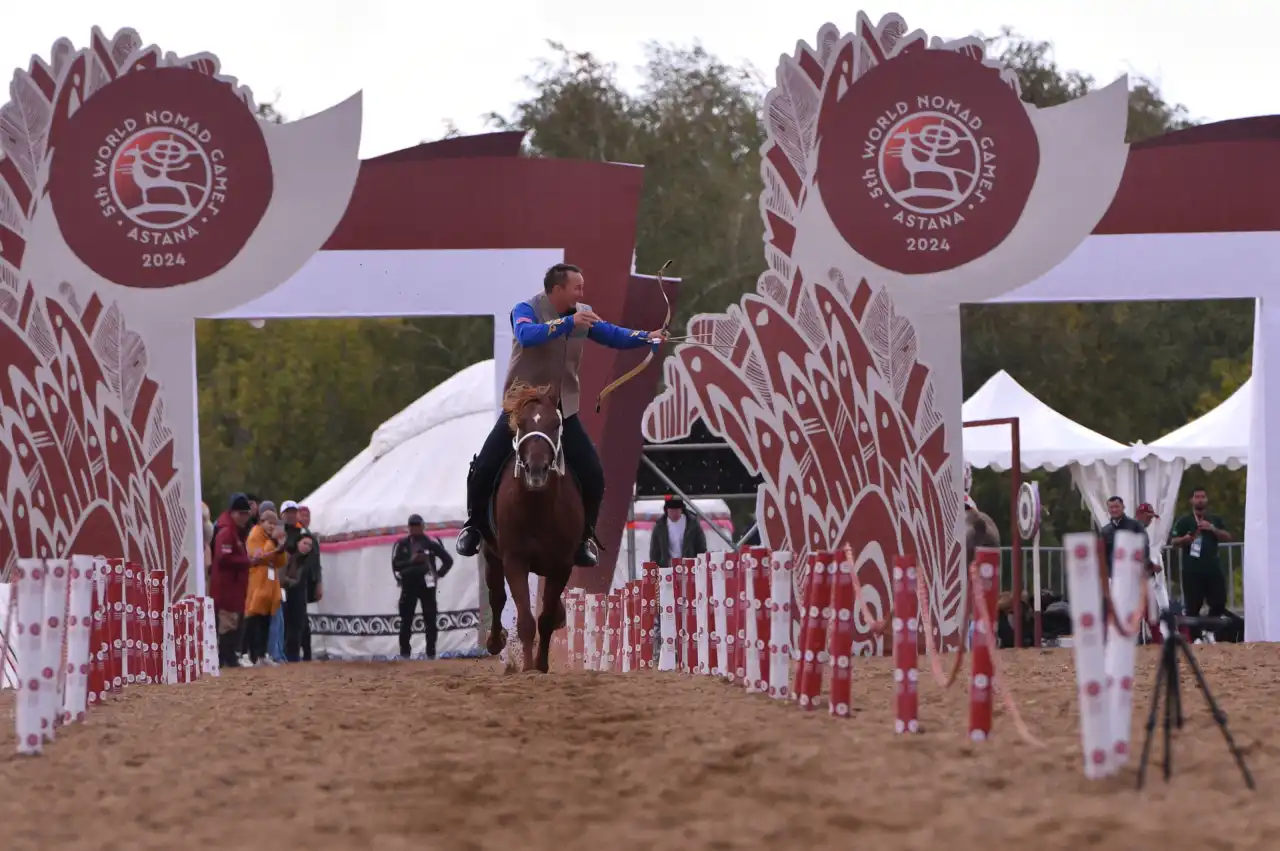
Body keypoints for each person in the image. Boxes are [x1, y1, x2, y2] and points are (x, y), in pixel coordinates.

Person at [454, 263, 668, 567]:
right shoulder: (525, 309)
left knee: (593, 473)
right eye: (576, 287)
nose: (582, 293)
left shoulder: (582, 313)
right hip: (521, 410)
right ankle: (473, 527)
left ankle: (585, 538)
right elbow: (527, 335)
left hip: (561, 410)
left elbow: (612, 335)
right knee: (484, 466)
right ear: (557, 290)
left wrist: (647, 337)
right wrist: (567, 324)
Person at [393, 514, 454, 659]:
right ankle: (405, 653)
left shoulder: (430, 543)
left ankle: (431, 653)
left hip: (427, 586)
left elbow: (448, 560)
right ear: (408, 528)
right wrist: (411, 560)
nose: (414, 529)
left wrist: (439, 574)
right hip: (409, 585)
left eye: (417, 526)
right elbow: (396, 565)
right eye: (412, 526)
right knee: (406, 619)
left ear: (422, 526)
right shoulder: (403, 544)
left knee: (430, 619)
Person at [1170, 487, 1232, 623]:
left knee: (1219, 602)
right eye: (1197, 497)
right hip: (1192, 570)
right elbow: (1173, 541)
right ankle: (1195, 637)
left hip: (1212, 568)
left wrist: (1212, 528)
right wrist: (1184, 539)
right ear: (1191, 500)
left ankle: (1211, 629)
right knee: (1193, 606)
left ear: (1207, 500)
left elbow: (1228, 537)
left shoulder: (1214, 519)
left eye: (1203, 497)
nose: (1200, 500)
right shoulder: (1184, 520)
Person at [210, 493, 253, 668]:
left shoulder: (235, 532)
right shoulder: (227, 533)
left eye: (246, 513)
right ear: (233, 513)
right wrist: (246, 561)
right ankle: (224, 657)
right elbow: (223, 557)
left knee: (233, 621)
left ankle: (228, 657)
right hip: (226, 587)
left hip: (234, 587)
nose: (244, 517)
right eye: (241, 513)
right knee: (227, 623)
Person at [244, 509, 287, 666]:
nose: (272, 526)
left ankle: (262, 655)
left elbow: (280, 562)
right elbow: (260, 556)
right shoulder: (255, 535)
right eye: (270, 523)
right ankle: (247, 654)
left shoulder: (270, 538)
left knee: (265, 621)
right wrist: (274, 544)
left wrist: (280, 549)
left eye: (275, 524)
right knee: (253, 619)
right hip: (257, 583)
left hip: (269, 585)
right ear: (261, 522)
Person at [283, 505, 322, 662]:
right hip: (290, 581)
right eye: (301, 514)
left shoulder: (308, 535)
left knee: (301, 619)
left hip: (305, 580)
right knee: (294, 619)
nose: (304, 518)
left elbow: (316, 562)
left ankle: (306, 653)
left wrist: (318, 582)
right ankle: (292, 654)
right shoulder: (286, 533)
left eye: (307, 515)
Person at [1136, 502, 1169, 644]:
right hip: (1139, 575)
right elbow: (1139, 553)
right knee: (1149, 610)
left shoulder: (1136, 530)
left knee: (1147, 609)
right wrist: (1151, 566)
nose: (1150, 520)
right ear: (1140, 515)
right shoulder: (1138, 531)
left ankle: (1156, 638)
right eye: (1148, 516)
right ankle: (1157, 639)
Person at [648, 497, 708, 567]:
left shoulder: (692, 524)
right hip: (667, 568)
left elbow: (701, 548)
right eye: (671, 511)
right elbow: (654, 551)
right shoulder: (660, 526)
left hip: (689, 568)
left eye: (676, 510)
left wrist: (699, 565)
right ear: (667, 510)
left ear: (681, 509)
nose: (674, 514)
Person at [1099, 496, 1146, 575]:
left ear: (1123, 507)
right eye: (1111, 507)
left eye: (1117, 507)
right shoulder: (1105, 531)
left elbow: (1144, 548)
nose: (1114, 510)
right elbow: (1103, 555)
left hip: (1132, 572)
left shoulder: (1135, 526)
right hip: (1112, 574)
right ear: (1108, 509)